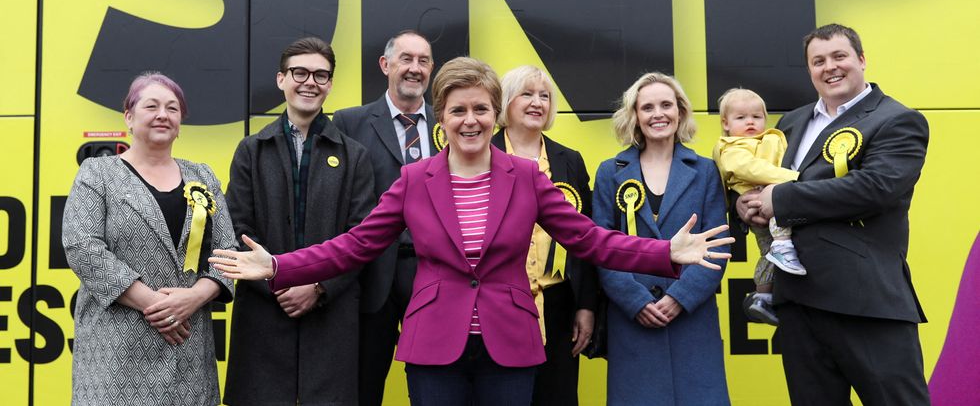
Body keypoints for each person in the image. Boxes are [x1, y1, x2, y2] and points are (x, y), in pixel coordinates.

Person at [211, 57, 734, 406]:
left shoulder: (527, 176)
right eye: (458, 110)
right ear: (443, 116)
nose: (470, 120)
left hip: (510, 345)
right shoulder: (416, 180)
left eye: (480, 109)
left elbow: (590, 239)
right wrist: (280, 266)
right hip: (435, 345)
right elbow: (356, 244)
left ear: (494, 115)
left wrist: (666, 253)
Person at [736, 24, 931, 406]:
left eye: (839, 56)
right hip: (797, 304)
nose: (830, 67)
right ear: (809, 70)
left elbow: (876, 187)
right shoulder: (790, 123)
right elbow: (762, 180)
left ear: (861, 59)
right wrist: (748, 205)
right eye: (818, 61)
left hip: (866, 304)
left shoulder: (897, 120)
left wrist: (784, 200)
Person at [62, 72, 235, 405]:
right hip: (117, 353)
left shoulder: (203, 176)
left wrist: (195, 296)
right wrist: (156, 305)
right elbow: (82, 247)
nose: (162, 115)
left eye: (172, 108)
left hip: (188, 351)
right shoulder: (98, 173)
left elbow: (227, 253)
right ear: (129, 117)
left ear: (180, 122)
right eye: (151, 106)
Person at [223, 37, 376, 406]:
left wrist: (319, 287)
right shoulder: (250, 150)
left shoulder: (354, 156)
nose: (310, 82)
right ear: (281, 79)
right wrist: (280, 284)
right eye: (300, 72)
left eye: (321, 75)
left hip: (331, 315)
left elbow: (363, 237)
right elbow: (236, 228)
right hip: (263, 312)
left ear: (330, 84)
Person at [592, 72, 731, 406]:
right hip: (633, 320)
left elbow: (718, 245)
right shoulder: (610, 172)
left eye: (667, 105)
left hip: (691, 320)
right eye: (648, 107)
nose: (658, 114)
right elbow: (600, 247)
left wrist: (679, 298)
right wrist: (636, 301)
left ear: (680, 111)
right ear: (635, 116)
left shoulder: (706, 170)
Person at [332, 30, 436, 406]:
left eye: (423, 61)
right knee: (363, 388)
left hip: (435, 275)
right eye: (406, 59)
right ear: (385, 65)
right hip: (370, 276)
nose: (414, 68)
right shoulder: (349, 123)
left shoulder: (452, 124)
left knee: (435, 386)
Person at [490, 65, 597, 406]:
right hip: (496, 302)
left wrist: (586, 306)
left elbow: (588, 240)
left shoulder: (571, 161)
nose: (537, 102)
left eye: (545, 96)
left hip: (559, 303)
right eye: (527, 93)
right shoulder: (480, 153)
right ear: (506, 102)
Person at [712, 87, 801, 326]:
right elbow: (750, 169)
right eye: (741, 118)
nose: (750, 122)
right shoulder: (731, 147)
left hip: (776, 195)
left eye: (756, 117)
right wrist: (793, 177)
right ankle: (782, 249)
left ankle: (762, 296)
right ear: (726, 123)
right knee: (776, 241)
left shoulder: (770, 138)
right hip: (758, 202)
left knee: (768, 253)